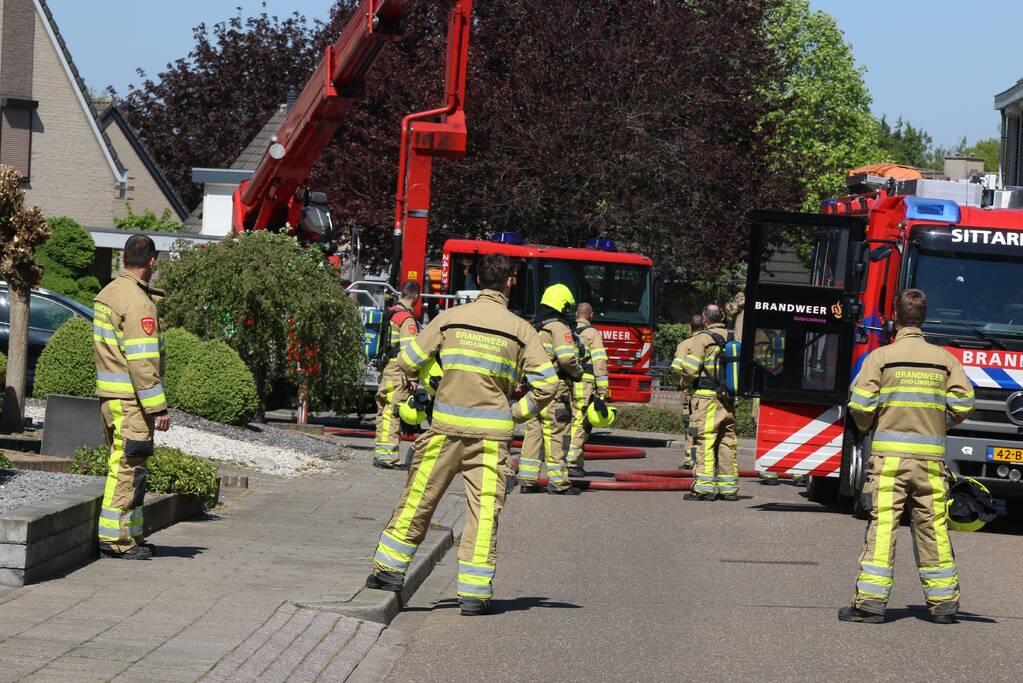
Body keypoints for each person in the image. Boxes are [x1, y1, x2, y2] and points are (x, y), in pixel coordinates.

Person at [365, 254, 559, 616]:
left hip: (444, 432)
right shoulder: (521, 329)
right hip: (491, 437)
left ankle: (389, 571)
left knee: (418, 500)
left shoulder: (450, 318)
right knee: (484, 512)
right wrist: (516, 413)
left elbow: (407, 361)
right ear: (510, 282)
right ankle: (473, 594)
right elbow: (547, 386)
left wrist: (428, 384)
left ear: (478, 279)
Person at [840, 289, 974, 624]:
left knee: (884, 526)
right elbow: (963, 403)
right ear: (923, 318)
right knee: (933, 527)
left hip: (889, 461)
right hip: (930, 462)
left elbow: (860, 405)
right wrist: (937, 423)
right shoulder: (945, 360)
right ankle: (943, 604)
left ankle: (870, 603)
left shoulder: (880, 357)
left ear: (895, 318)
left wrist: (872, 424)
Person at [93, 235, 171, 559]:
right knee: (127, 468)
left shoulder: (107, 294)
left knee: (129, 467)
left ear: (124, 258)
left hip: (112, 399)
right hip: (132, 404)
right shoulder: (139, 304)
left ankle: (132, 536)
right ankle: (117, 541)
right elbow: (142, 362)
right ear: (151, 261)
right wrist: (159, 407)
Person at [519, 284, 585, 495]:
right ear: (562, 305)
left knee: (533, 433)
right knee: (557, 433)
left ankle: (528, 480)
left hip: (534, 388)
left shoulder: (535, 327)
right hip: (555, 391)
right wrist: (578, 372)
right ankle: (559, 483)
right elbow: (566, 358)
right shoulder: (559, 328)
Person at [678, 304, 738, 501]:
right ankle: (728, 489)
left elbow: (691, 369)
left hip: (706, 398)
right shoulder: (732, 338)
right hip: (728, 400)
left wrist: (683, 383)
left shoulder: (702, 338)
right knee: (727, 442)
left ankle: (703, 488)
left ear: (705, 320)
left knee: (704, 440)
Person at [373, 281, 421, 469]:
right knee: (392, 412)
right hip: (397, 371)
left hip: (386, 369)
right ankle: (388, 457)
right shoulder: (406, 319)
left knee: (383, 409)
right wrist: (413, 378)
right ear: (415, 296)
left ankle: (382, 453)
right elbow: (409, 353)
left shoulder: (390, 313)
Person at [566, 302, 609, 476]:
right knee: (580, 422)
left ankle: (574, 461)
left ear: (577, 314)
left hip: (568, 380)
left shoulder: (567, 330)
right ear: (590, 315)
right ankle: (572, 462)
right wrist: (603, 390)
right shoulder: (593, 333)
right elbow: (599, 361)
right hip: (585, 382)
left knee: (568, 421)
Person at [670, 313, 705, 470]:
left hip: (692, 393)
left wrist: (682, 383)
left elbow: (676, 367)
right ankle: (705, 460)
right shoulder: (710, 342)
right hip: (711, 392)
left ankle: (691, 460)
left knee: (691, 427)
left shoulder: (685, 344)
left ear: (690, 327)